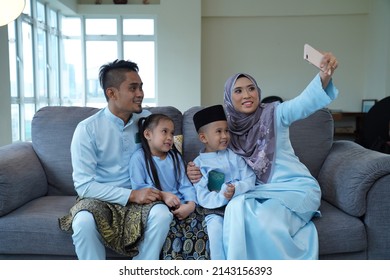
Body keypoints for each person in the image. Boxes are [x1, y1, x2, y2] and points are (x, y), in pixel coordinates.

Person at [187, 50, 339, 259]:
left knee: (265, 222)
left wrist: (325, 74)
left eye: (251, 89)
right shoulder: (227, 130)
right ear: (229, 98)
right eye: (238, 91)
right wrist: (193, 168)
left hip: (294, 187)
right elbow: (213, 156)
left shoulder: (275, 114)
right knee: (237, 210)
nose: (247, 95)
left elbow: (303, 103)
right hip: (257, 192)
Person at [59, 59, 173, 260]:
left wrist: (192, 169)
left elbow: (169, 150)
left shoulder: (147, 122)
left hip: (143, 198)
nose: (140, 94)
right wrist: (131, 195)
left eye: (141, 87)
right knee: (82, 221)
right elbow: (84, 186)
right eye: (133, 88)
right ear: (111, 93)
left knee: (162, 215)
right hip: (100, 199)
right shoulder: (87, 129)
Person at [192, 105, 256, 260]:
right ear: (203, 138)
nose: (225, 135)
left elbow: (250, 178)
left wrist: (236, 188)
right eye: (218, 131)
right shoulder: (198, 165)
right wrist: (223, 196)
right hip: (213, 210)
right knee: (214, 230)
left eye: (226, 130)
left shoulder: (234, 156)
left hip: (239, 204)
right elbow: (202, 196)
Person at [129, 113, 197, 221]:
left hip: (180, 205)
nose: (170, 137)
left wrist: (190, 205)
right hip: (156, 206)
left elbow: (185, 185)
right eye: (164, 132)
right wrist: (162, 195)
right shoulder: (138, 159)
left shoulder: (175, 157)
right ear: (147, 134)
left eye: (172, 133)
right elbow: (140, 188)